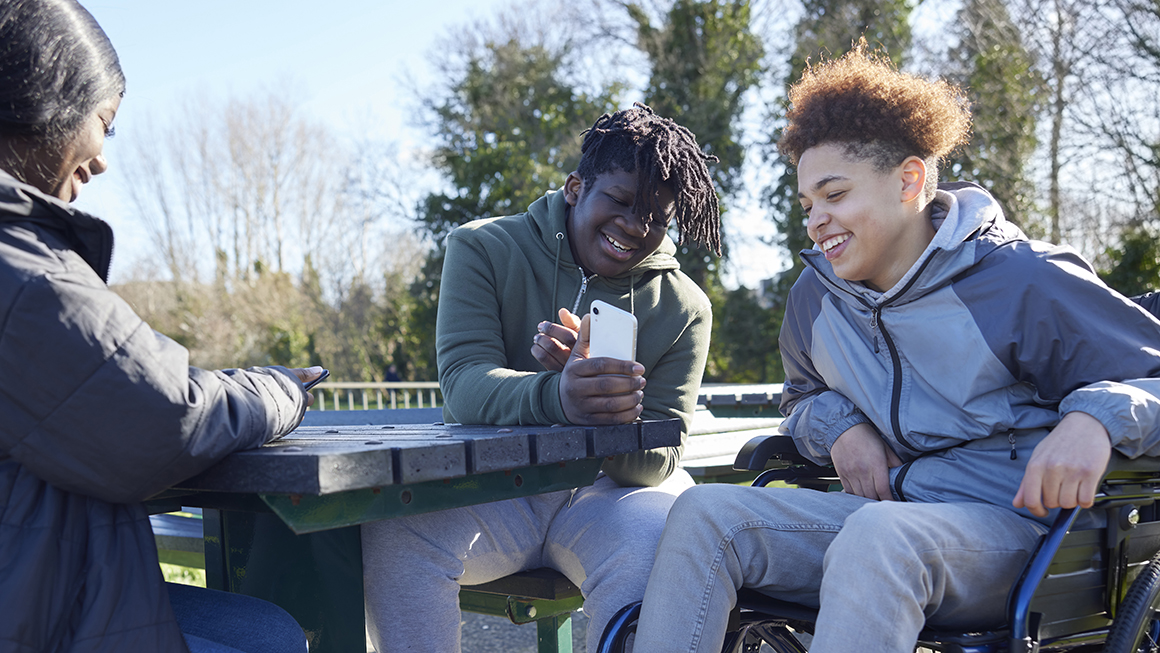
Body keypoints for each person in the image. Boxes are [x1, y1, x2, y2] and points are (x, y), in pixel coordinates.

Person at [630, 42, 1160, 653]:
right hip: (890, 516)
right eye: (807, 205)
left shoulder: (1020, 280)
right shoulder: (815, 298)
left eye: (834, 195)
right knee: (702, 516)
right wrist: (840, 427)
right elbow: (802, 397)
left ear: (908, 181)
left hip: (1025, 531)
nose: (815, 221)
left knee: (880, 536)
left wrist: (1096, 418)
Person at [0, 1, 323, 651]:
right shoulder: (20, 267)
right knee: (269, 640)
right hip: (31, 611)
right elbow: (162, 416)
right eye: (104, 124)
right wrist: (279, 389)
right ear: (45, 100)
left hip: (34, 581)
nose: (100, 160)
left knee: (265, 628)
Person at [361, 103, 722, 652]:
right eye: (621, 202)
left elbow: (661, 460)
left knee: (664, 541)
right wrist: (556, 396)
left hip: (613, 496)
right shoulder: (482, 247)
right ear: (576, 187)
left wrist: (611, 420)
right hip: (501, 491)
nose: (635, 227)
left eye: (656, 216)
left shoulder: (684, 307)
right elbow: (462, 384)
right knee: (392, 532)